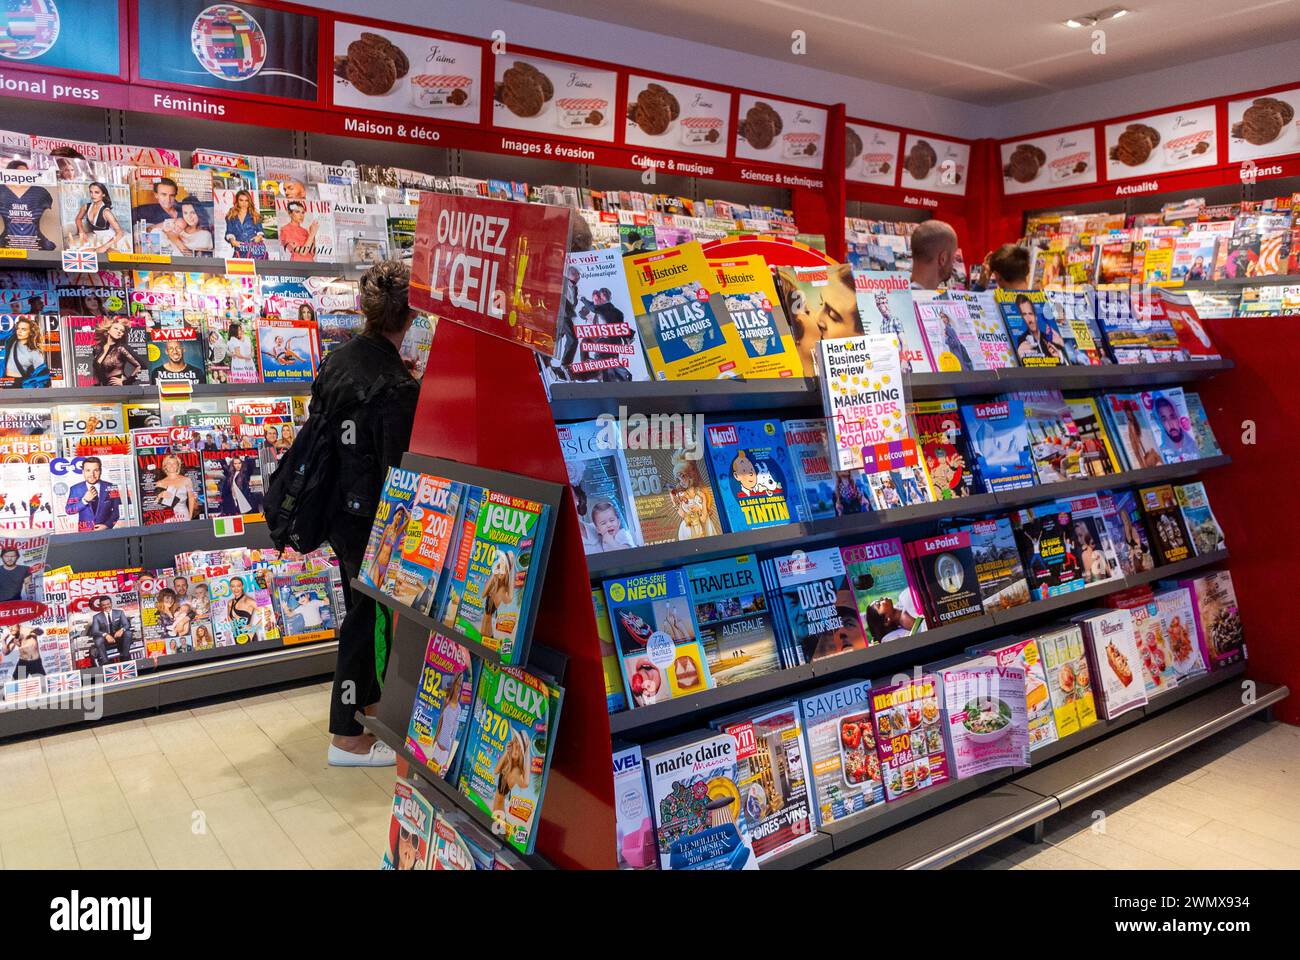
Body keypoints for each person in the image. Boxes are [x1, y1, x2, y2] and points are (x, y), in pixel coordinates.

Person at [289, 260, 419, 766]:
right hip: (372, 518)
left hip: (337, 507)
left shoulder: (339, 358)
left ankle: (369, 709)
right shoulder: (397, 386)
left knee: (360, 609)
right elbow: (400, 468)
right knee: (367, 617)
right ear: (409, 318)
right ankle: (347, 736)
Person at [64, 456, 121, 531]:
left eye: (96, 470)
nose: (92, 474)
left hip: (107, 533)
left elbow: (118, 511)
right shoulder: (75, 489)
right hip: (84, 534)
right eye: (88, 470)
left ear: (100, 471)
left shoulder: (112, 487)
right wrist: (84, 501)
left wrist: (107, 525)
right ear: (83, 472)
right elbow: (69, 510)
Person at [73, 181, 127, 253]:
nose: (93, 195)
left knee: (107, 254)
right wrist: (81, 230)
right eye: (91, 192)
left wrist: (104, 247)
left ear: (103, 194)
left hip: (109, 238)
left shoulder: (106, 212)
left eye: (96, 192)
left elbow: (120, 233)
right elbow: (78, 219)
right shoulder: (86, 206)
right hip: (96, 237)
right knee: (80, 252)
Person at [1012, 294, 1065, 362]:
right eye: (1024, 315)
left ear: (1036, 316)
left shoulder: (1049, 338)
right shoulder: (1021, 341)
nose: (1030, 320)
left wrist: (1061, 347)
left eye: (1030, 314)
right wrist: (1020, 357)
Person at [908, 220, 959, 289]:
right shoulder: (927, 298)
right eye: (953, 257)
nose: (954, 262)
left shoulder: (896, 296)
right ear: (943, 259)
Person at [92, 317, 142, 386]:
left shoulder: (121, 348)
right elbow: (96, 370)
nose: (119, 331)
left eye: (122, 331)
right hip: (103, 389)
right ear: (108, 330)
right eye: (116, 328)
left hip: (119, 389)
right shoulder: (97, 348)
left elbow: (140, 366)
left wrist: (125, 382)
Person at [1152, 394, 1200, 462]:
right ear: (1160, 423)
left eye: (1172, 417)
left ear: (1178, 417)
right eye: (1164, 419)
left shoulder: (1197, 446)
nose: (1170, 424)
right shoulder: (1160, 455)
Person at [154, 453, 199, 520]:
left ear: (178, 465)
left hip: (184, 515)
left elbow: (191, 498)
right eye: (169, 463)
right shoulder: (160, 483)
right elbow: (154, 505)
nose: (171, 466)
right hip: (167, 517)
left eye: (174, 463)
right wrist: (160, 495)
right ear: (165, 466)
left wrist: (190, 516)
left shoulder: (186, 480)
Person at [222, 188, 266, 258]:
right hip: (239, 250)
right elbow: (229, 232)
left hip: (254, 251)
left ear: (249, 202)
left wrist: (259, 237)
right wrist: (232, 241)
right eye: (241, 200)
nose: (244, 203)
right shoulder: (231, 216)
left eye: (246, 200)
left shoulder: (255, 215)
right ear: (237, 201)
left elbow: (261, 232)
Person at [90, 594, 133, 664]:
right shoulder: (96, 617)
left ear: (111, 603)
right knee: (98, 640)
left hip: (118, 638)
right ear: (100, 606)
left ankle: (125, 657)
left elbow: (127, 624)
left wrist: (122, 630)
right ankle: (105, 662)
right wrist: (105, 635)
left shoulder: (119, 612)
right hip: (106, 640)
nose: (106, 606)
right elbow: (94, 631)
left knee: (128, 633)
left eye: (108, 604)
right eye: (104, 605)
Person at [3, 315, 46, 385]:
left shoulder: (35, 352)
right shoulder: (11, 341)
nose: (19, 331)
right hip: (5, 380)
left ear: (31, 332)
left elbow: (41, 374)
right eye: (18, 328)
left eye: (23, 329)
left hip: (19, 383)